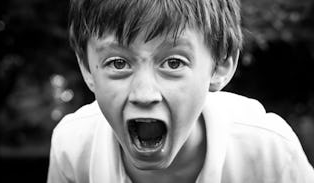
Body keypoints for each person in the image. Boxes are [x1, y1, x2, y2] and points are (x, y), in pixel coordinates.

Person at [47, 0, 314, 182]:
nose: (144, 93)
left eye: (173, 63)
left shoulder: (269, 151)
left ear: (220, 65)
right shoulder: (72, 149)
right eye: (118, 63)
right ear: (87, 69)